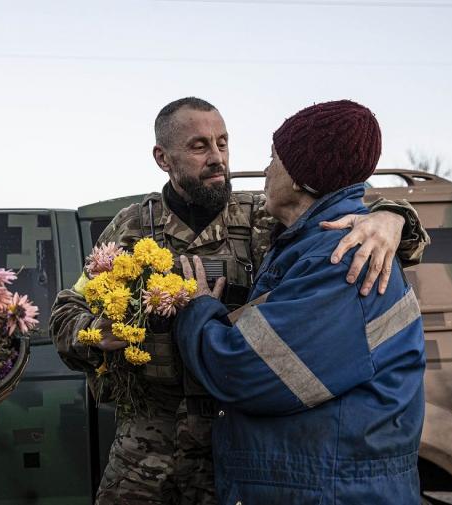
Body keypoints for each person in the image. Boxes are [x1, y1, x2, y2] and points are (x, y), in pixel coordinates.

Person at [49, 97, 428, 504]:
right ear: (163, 157)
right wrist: (94, 332)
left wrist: (393, 217)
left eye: (223, 143)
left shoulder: (264, 217)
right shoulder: (129, 229)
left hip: (238, 454)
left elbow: (342, 222)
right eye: (199, 146)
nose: (217, 158)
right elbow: (66, 312)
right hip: (145, 454)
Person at [176, 100, 426, 504]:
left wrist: (197, 308)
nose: (265, 169)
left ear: (298, 176)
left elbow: (244, 371)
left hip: (331, 491)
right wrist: (392, 215)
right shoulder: (307, 240)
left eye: (274, 157)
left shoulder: (342, 259)